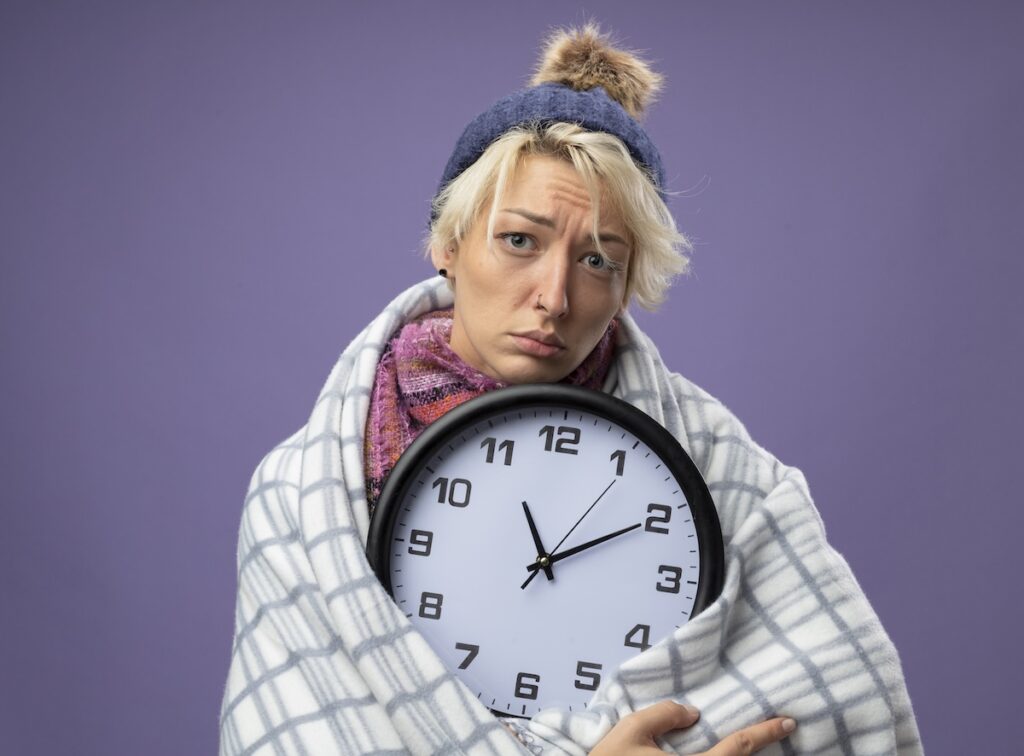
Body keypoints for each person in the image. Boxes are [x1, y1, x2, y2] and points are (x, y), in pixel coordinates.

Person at [219, 24, 921, 755]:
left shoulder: (728, 473)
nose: (554, 296)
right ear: (448, 246)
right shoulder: (299, 496)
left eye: (596, 260)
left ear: (625, 288)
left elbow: (841, 698)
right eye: (519, 240)